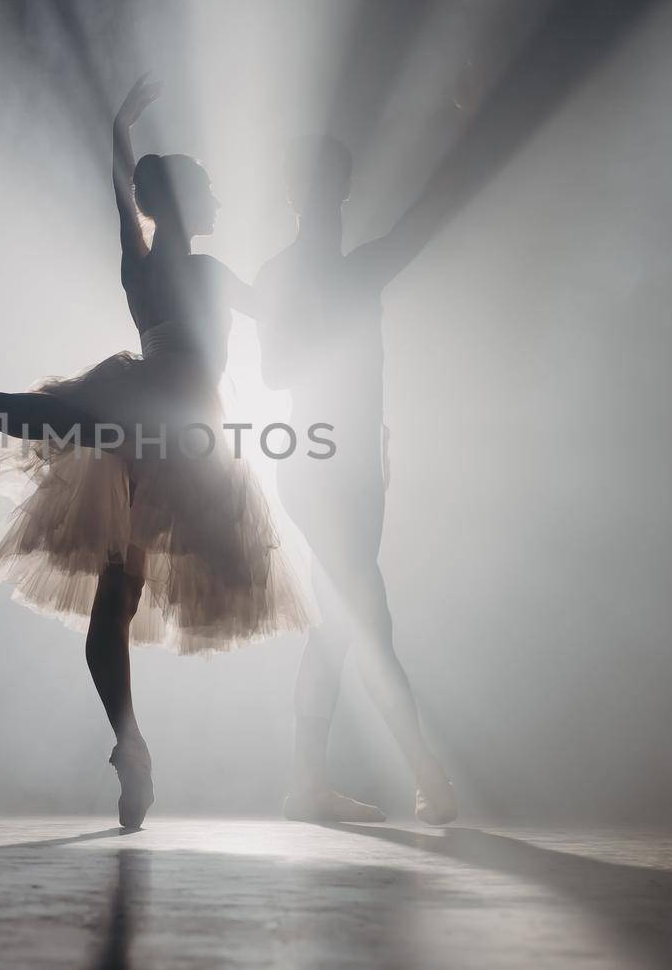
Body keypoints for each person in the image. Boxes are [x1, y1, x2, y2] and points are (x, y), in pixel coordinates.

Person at [0, 77, 309, 829]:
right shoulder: (184, 268)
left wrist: (121, 127)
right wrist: (121, 132)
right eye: (210, 189)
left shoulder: (156, 266)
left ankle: (130, 743)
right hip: (180, 416)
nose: (220, 198)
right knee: (80, 466)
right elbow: (281, 310)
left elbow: (136, 206)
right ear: (185, 202)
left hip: (171, 415)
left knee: (114, 577)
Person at [254, 135, 457, 826]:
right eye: (313, 182)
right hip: (316, 461)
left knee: (341, 623)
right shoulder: (293, 275)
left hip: (359, 464)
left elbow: (429, 216)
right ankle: (425, 772)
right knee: (365, 614)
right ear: (300, 194)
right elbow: (273, 373)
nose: (320, 195)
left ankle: (306, 783)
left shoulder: (359, 267)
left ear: (339, 191)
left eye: (329, 182)